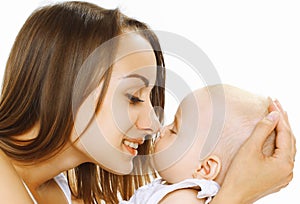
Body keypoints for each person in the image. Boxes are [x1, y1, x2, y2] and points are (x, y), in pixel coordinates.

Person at [0, 1, 295, 204]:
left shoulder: (65, 193)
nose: (153, 124)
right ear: (63, 82)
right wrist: (236, 193)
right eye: (133, 97)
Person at [123, 84, 280, 203]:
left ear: (205, 168)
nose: (162, 129)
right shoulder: (172, 192)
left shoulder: (184, 199)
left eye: (174, 130)